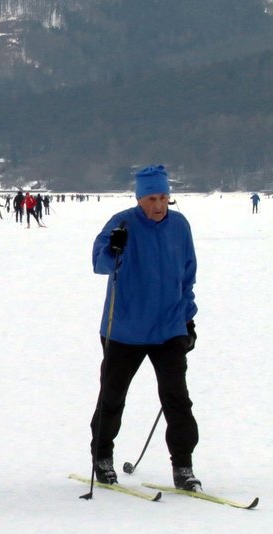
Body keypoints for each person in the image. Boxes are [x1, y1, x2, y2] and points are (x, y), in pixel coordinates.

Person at [89, 165, 201, 491]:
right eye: (152, 198)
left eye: (164, 197)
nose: (159, 205)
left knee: (177, 399)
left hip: (168, 328)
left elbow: (187, 275)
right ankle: (102, 456)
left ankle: (183, 466)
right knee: (112, 397)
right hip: (125, 327)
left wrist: (188, 318)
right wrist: (114, 247)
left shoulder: (179, 226)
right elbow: (99, 263)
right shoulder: (122, 223)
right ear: (139, 198)